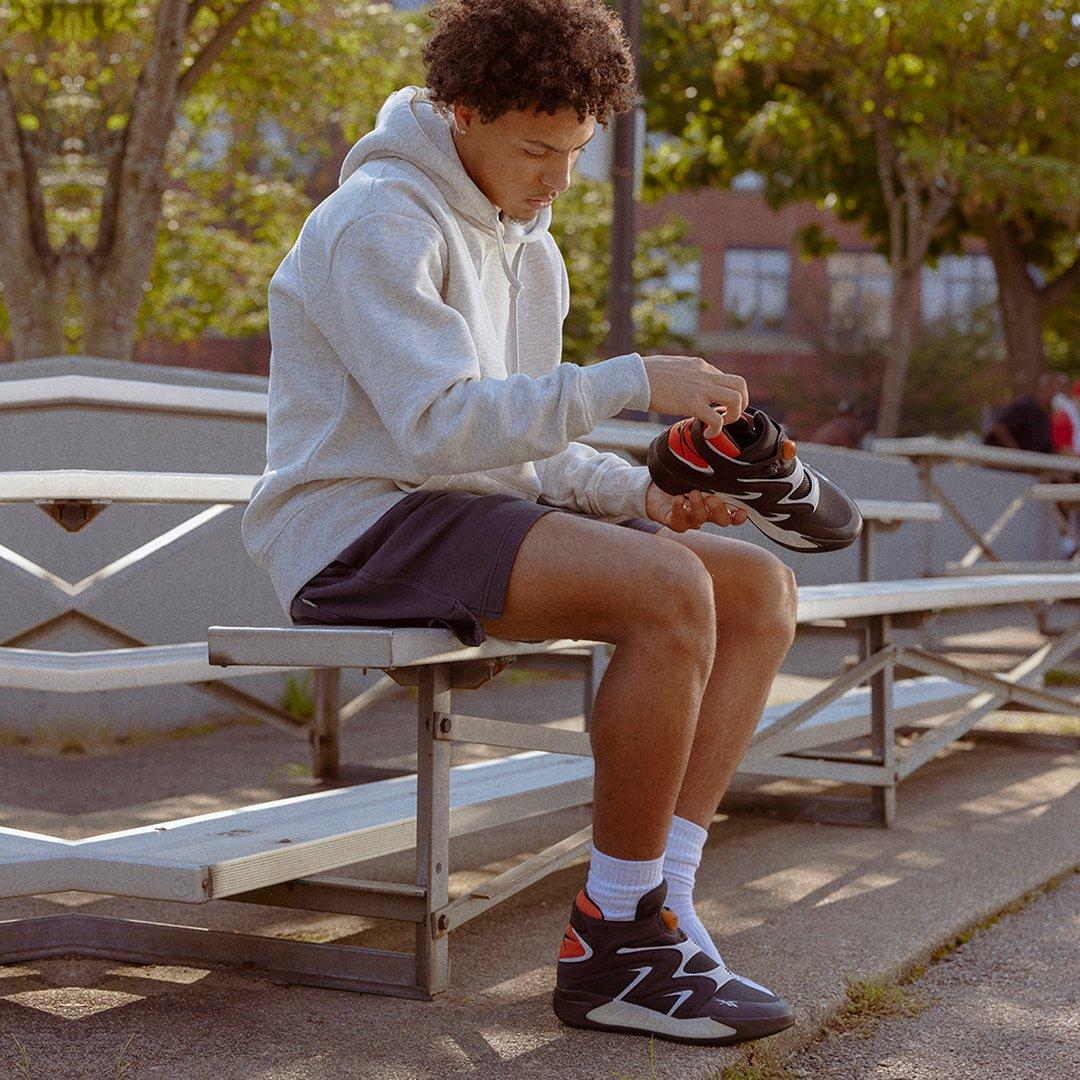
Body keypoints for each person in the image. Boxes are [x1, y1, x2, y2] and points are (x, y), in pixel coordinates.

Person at [241, 0, 797, 1046]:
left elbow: (524, 447)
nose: (559, 179)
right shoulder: (379, 220)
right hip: (353, 528)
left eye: (577, 152)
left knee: (755, 588)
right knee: (667, 592)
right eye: (537, 148)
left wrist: (645, 497)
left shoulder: (529, 248)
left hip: (462, 507)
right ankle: (614, 950)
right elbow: (438, 424)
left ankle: (658, 904)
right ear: (461, 112)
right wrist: (633, 380)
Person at [984, 371, 1067, 454]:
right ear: (1045, 388)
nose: (1058, 394)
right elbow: (998, 428)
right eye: (1055, 389)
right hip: (1003, 461)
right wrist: (1018, 454)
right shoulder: (1026, 406)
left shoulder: (1048, 418)